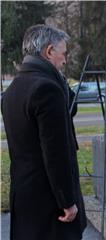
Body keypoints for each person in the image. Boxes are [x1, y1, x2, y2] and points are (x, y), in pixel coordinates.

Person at [1, 25, 86, 240]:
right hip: (50, 203)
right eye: (63, 53)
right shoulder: (46, 89)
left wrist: (59, 79)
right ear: (49, 52)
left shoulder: (14, 87)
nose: (65, 60)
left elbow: (71, 107)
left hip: (24, 194)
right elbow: (55, 153)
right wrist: (67, 201)